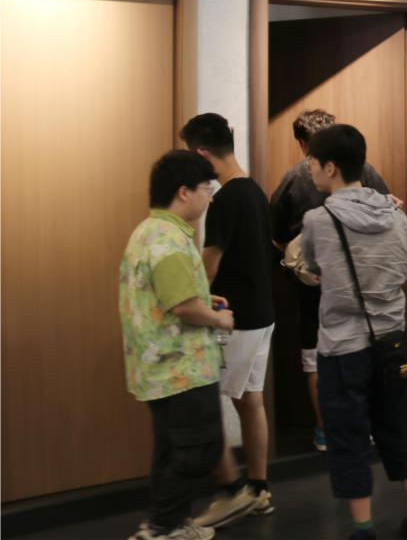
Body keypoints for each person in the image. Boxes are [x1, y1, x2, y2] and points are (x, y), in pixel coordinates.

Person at [300, 125, 407, 539]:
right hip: (392, 343)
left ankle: (363, 527)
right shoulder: (397, 216)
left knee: (348, 436)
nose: (309, 169)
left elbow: (312, 269)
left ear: (331, 168)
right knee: (400, 426)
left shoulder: (317, 220)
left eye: (312, 162)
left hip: (342, 349)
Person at [121, 151, 235, 540]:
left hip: (160, 368)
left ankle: (164, 523)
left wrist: (205, 298)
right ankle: (162, 528)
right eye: (206, 188)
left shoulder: (148, 231)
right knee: (200, 449)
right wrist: (218, 318)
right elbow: (183, 306)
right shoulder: (169, 240)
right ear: (184, 192)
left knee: (172, 449)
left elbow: (169, 294)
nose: (210, 197)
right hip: (181, 368)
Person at [270, 109, 395, 452]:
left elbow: (276, 231)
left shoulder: (294, 178)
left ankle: (326, 428)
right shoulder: (364, 171)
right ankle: (364, 424)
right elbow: (389, 209)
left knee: (315, 352)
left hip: (314, 282)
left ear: (302, 143)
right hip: (365, 277)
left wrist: (294, 253)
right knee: (363, 344)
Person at [175, 114, 277, 528]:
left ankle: (230, 492)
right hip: (262, 316)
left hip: (236, 320)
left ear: (202, 154)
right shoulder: (254, 191)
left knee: (204, 401)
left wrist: (187, 299)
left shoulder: (224, 199)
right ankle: (259, 490)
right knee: (250, 401)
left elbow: (210, 265)